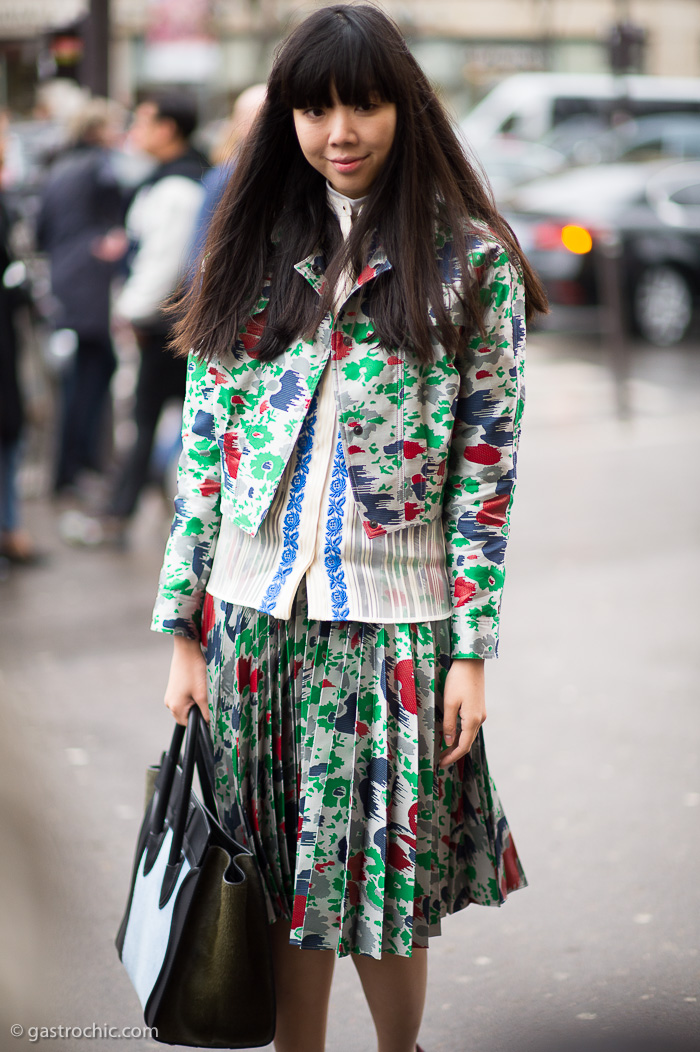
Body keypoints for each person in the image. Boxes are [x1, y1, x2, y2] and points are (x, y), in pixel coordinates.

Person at [151, 7, 548, 1052]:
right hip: (249, 621)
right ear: (285, 115)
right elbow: (203, 457)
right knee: (273, 873)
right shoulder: (248, 253)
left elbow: (485, 474)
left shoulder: (469, 265)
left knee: (377, 875)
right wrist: (184, 631)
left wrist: (471, 646)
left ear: (402, 107)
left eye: (361, 102)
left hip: (392, 623)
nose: (339, 128)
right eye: (314, 105)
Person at [63, 93, 207, 546]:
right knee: (170, 421)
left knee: (154, 419)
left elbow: (164, 262)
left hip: (168, 326)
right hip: (172, 322)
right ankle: (136, 511)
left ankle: (121, 515)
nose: (134, 133)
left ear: (168, 129)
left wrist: (128, 312)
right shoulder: (174, 179)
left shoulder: (176, 187)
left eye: (143, 123)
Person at [36, 98, 126, 498]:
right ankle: (74, 466)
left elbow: (41, 231)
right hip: (89, 283)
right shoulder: (101, 165)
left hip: (65, 279)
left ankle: (74, 464)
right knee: (88, 373)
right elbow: (119, 215)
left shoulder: (57, 169)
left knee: (83, 371)